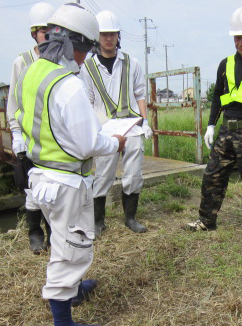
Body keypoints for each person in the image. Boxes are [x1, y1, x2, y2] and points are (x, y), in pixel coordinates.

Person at [14, 2, 126, 326]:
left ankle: (74, 291)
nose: (85, 57)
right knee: (70, 250)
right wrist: (115, 142)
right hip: (66, 181)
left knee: (64, 238)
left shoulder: (32, 71)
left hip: (42, 176)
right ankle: (63, 325)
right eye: (87, 48)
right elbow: (88, 143)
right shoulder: (69, 84)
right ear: (78, 45)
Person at [185, 6, 242, 247]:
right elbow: (217, 97)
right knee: (212, 176)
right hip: (226, 131)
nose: (241, 42)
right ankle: (206, 219)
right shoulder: (224, 64)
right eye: (237, 37)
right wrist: (211, 126)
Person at [79, 10, 152, 237]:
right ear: (97, 37)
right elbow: (88, 102)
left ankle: (130, 217)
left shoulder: (132, 63)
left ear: (118, 35)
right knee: (103, 172)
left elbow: (140, 93)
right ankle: (99, 220)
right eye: (103, 35)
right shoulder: (87, 68)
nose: (108, 39)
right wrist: (94, 128)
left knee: (134, 171)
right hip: (105, 128)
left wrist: (145, 121)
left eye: (112, 34)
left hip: (131, 124)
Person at [7, 2, 55, 254]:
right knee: (31, 189)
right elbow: (13, 100)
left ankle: (51, 234)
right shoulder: (22, 61)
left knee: (51, 187)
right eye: (42, 30)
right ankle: (34, 232)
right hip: (28, 136)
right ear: (34, 33)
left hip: (50, 137)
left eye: (52, 30)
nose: (47, 35)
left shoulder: (59, 61)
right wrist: (16, 132)